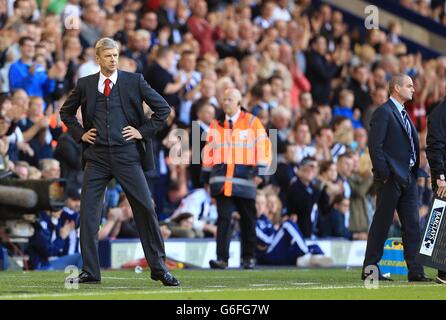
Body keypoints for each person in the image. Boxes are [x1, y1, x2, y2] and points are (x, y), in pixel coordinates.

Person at [59, 38, 179, 286]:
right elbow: (65, 112)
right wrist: (80, 133)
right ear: (98, 59)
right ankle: (91, 271)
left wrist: (142, 132)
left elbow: (163, 109)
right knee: (89, 213)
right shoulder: (85, 84)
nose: (113, 59)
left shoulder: (134, 81)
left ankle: (158, 267)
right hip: (97, 157)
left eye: (116, 55)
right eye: (109, 56)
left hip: (127, 155)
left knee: (146, 208)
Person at [362, 74, 431, 282]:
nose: (413, 89)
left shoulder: (403, 113)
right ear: (396, 88)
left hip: (408, 178)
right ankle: (370, 272)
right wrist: (384, 174)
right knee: (381, 225)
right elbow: (375, 146)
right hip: (391, 178)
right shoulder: (383, 112)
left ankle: (416, 272)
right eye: (409, 86)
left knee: (413, 225)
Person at [202, 88, 272, 269]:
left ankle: (248, 257)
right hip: (222, 180)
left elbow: (264, 148)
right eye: (224, 99)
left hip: (245, 180)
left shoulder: (252, 122)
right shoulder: (216, 124)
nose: (225, 102)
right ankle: (222, 258)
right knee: (224, 219)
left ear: (239, 103)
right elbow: (208, 151)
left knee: (248, 219)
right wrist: (205, 177)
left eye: (230, 99)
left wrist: (262, 175)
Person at [424, 97, 446, 284]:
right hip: (444, 179)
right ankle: (443, 273)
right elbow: (434, 147)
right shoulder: (439, 113)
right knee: (442, 225)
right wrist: (440, 177)